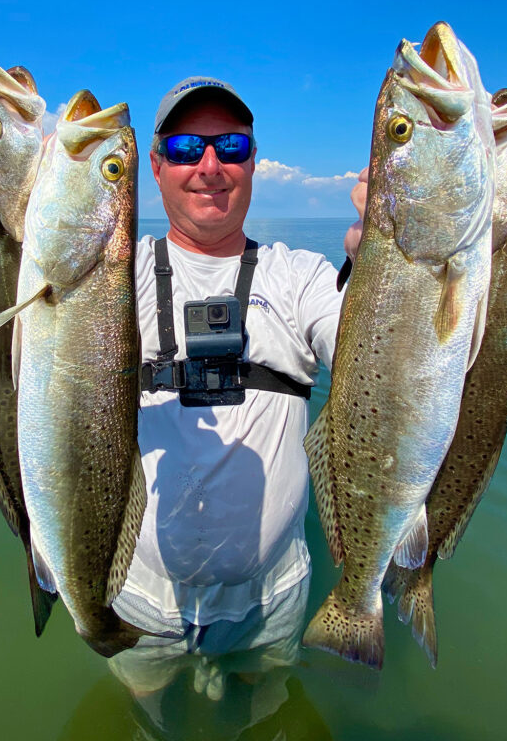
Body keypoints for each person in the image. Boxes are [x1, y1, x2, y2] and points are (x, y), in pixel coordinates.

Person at [106, 76, 352, 713]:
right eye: (187, 147)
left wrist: (401, 266)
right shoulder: (104, 279)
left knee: (263, 705)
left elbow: (376, 356)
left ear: (253, 163)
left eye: (231, 146)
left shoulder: (302, 276)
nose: (209, 166)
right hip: (137, 594)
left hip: (271, 596)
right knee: (147, 708)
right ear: (155, 167)